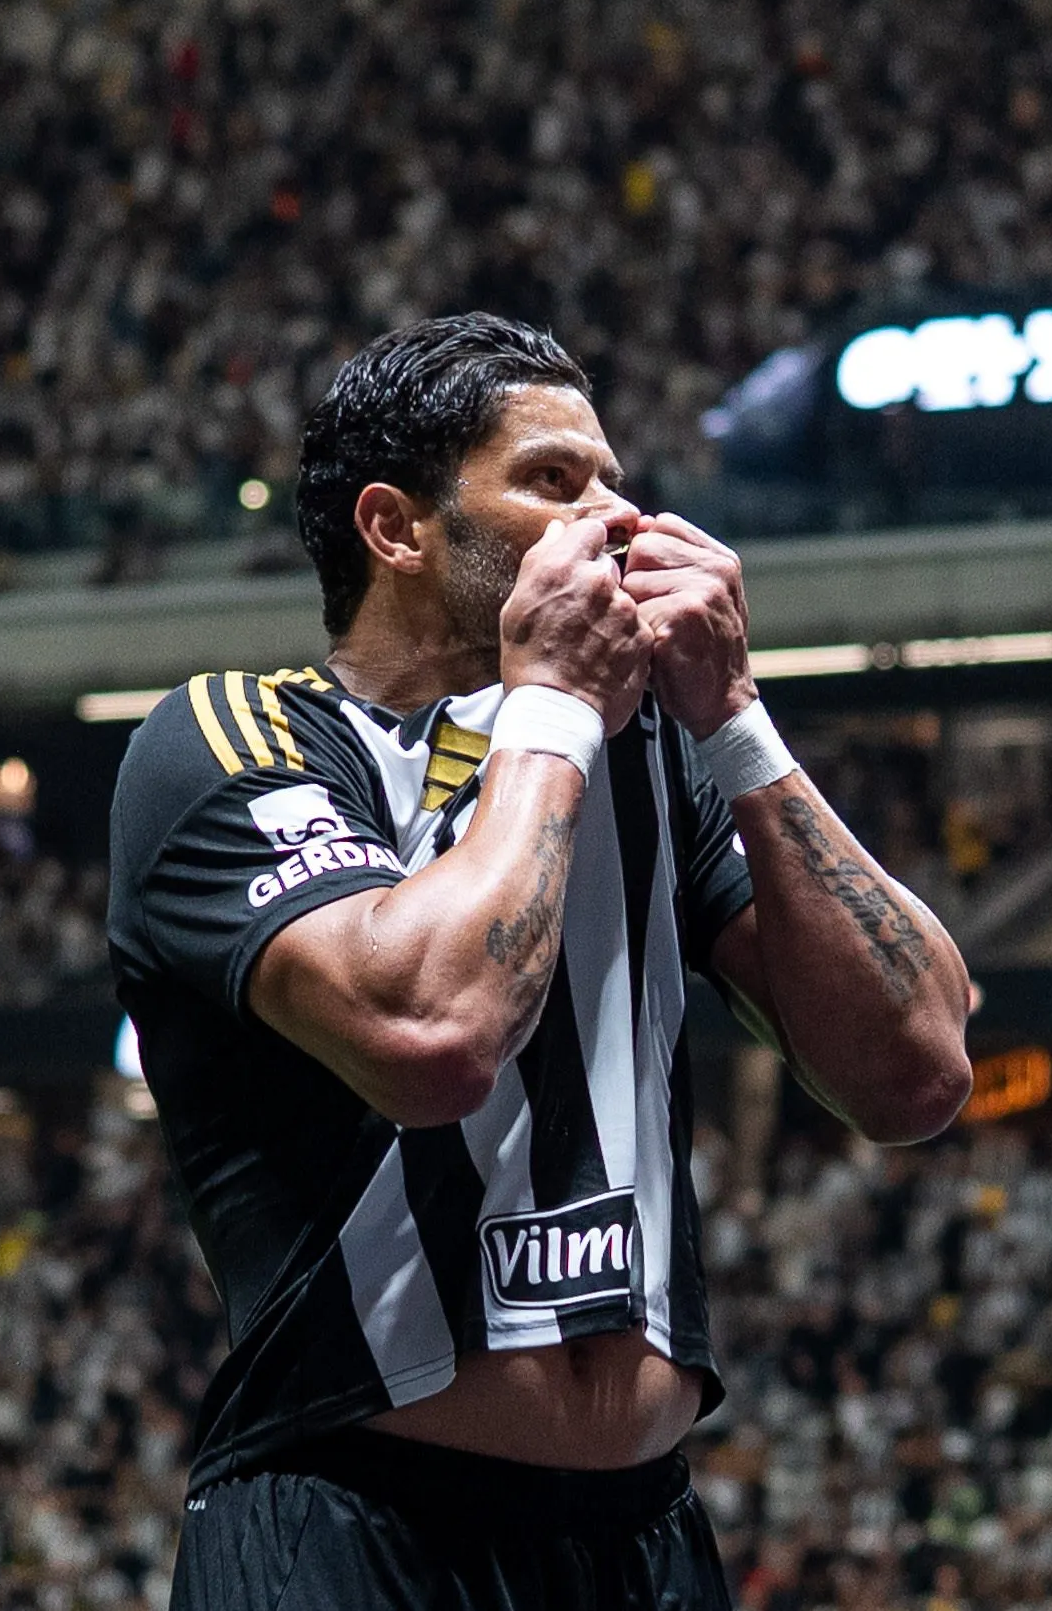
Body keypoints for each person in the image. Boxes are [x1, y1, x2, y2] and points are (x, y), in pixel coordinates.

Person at [106, 314, 977, 1608]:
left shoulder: (650, 757)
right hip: (351, 1523)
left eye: (615, 481)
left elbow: (915, 1071)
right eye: (555, 482)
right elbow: (435, 1037)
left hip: (644, 1534)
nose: (616, 520)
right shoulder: (229, 739)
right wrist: (557, 704)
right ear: (397, 529)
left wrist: (734, 719)